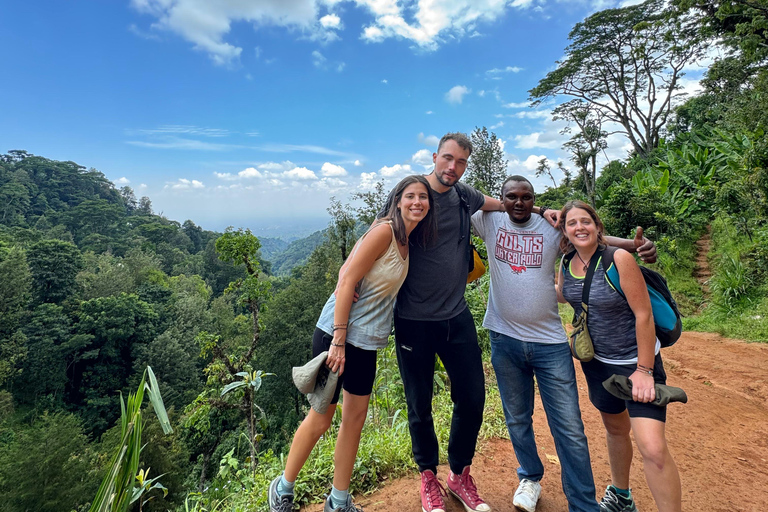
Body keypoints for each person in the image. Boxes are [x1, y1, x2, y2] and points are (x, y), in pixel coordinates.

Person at [379, 133, 554, 512]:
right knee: (419, 403)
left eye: (460, 162)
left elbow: (502, 204)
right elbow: (379, 237)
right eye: (447, 159)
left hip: (455, 316)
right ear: (434, 156)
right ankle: (428, 477)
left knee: (473, 397)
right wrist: (355, 282)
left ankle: (459, 473)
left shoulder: (464, 194)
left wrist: (542, 212)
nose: (451, 168)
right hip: (412, 320)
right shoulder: (410, 193)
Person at [471, 176, 657, 512]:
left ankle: (583, 504)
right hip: (503, 338)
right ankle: (530, 477)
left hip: (551, 342)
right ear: (500, 199)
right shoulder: (488, 221)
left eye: (527, 197)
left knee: (569, 427)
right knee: (517, 418)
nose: (518, 203)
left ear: (534, 199)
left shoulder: (552, 227)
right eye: (510, 197)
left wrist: (633, 245)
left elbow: (587, 236)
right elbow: (456, 196)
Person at [268, 175, 437, 512]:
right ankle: (282, 488)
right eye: (410, 196)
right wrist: (339, 341)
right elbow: (346, 280)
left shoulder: (408, 239)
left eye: (423, 197)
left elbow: (351, 272)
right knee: (321, 418)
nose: (417, 202)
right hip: (337, 336)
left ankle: (339, 500)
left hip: (367, 342)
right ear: (397, 200)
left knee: (355, 419)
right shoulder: (385, 231)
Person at [557, 200, 682, 512]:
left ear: (598, 227)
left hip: (634, 363)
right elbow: (561, 293)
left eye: (585, 221)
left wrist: (644, 370)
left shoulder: (618, 259)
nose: (579, 227)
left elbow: (643, 316)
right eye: (572, 223)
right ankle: (622, 496)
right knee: (615, 430)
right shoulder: (566, 263)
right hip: (598, 366)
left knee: (652, 448)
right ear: (565, 232)